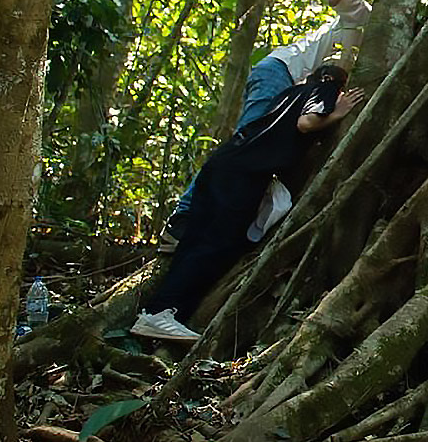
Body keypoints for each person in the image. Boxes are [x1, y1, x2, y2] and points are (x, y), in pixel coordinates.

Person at [160, 0, 394, 247]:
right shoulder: (362, 14)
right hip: (281, 73)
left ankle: (216, 225)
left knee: (260, 155)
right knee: (246, 145)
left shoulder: (381, 58)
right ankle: (182, 218)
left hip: (296, 97)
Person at [133, 63, 363, 342]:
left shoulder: (288, 93)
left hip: (224, 163)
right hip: (245, 175)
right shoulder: (324, 88)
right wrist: (337, 111)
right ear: (332, 80)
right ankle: (160, 314)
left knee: (196, 240)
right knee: (217, 244)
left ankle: (159, 313)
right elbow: (307, 123)